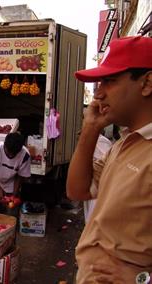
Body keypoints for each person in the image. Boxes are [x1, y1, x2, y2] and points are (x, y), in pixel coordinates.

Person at [66, 36, 152, 283]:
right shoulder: (124, 144)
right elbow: (78, 190)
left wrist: (143, 278)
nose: (99, 93)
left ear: (147, 83)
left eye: (110, 81)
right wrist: (91, 128)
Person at [0, 132, 31, 213]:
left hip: (13, 184)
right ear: (4, 145)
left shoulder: (25, 155)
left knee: (12, 214)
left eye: (14, 154)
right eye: (8, 152)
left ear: (20, 149)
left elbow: (20, 176)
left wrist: (14, 195)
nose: (11, 156)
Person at [82, 133, 112, 223]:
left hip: (99, 184)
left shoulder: (101, 141)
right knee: (89, 212)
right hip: (91, 181)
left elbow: (107, 165)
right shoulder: (91, 140)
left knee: (94, 213)